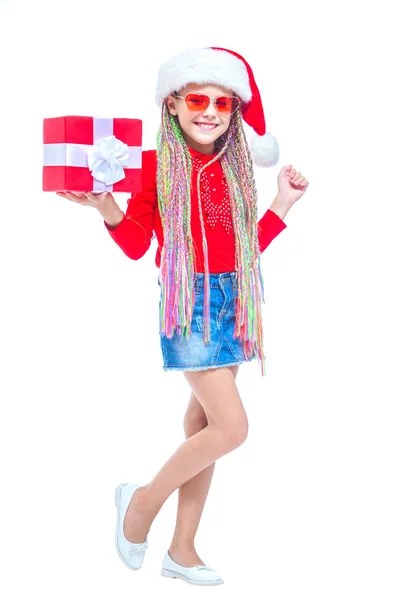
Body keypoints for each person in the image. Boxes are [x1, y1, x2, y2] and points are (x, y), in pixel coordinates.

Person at [57, 46, 309, 586]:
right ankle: (140, 505)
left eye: (223, 102)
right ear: (173, 103)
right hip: (188, 305)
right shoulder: (154, 167)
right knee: (232, 428)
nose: (210, 111)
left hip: (235, 303)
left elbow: (242, 250)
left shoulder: (233, 170)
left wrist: (282, 203)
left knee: (203, 425)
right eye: (198, 98)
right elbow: (134, 245)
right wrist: (107, 208)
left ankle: (182, 549)